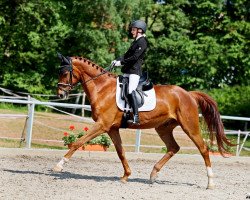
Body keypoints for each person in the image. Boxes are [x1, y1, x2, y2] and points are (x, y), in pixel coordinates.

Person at [112, 20, 148, 125]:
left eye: (133, 29)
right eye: (132, 29)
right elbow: (127, 54)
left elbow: (135, 57)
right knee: (121, 89)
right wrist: (116, 61)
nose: (132, 31)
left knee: (130, 91)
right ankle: (124, 112)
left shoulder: (143, 42)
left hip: (134, 71)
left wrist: (121, 63)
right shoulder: (135, 42)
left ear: (140, 30)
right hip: (128, 70)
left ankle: (136, 116)